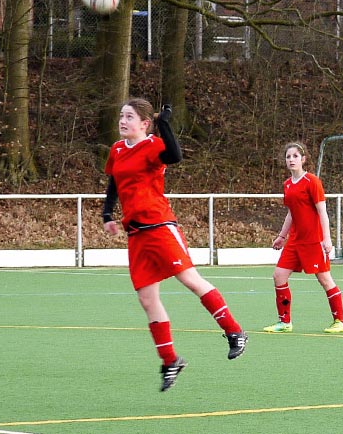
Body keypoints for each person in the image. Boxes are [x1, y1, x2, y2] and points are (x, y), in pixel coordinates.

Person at [102, 98, 248, 392]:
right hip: (136, 234)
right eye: (121, 115)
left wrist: (165, 123)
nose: (122, 120)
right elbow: (114, 182)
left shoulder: (153, 144)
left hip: (159, 226)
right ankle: (170, 361)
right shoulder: (117, 149)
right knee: (147, 300)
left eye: (129, 117)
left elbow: (175, 156)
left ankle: (234, 331)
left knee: (190, 280)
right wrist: (107, 214)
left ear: (145, 124)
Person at [263, 142, 343, 333]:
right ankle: (284, 322)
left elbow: (322, 211)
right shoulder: (287, 184)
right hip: (294, 241)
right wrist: (282, 236)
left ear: (303, 159)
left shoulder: (312, 181)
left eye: (295, 156)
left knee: (325, 279)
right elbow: (291, 213)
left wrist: (327, 238)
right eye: (288, 156)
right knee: (279, 276)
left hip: (313, 241)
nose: (291, 159)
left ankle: (340, 321)